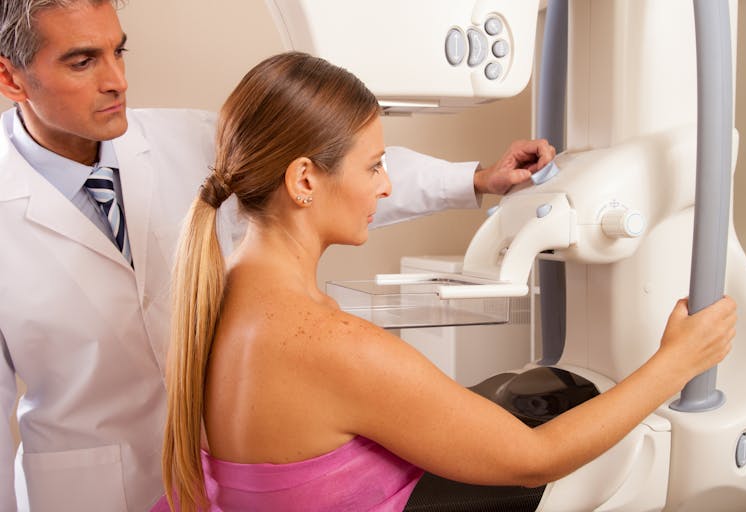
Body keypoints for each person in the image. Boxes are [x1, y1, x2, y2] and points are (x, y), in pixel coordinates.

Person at [0, 1, 555, 510]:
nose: (117, 79)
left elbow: (333, 167)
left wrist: (475, 179)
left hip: (208, 478)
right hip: (81, 491)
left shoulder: (183, 139)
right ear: (11, 77)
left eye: (118, 50)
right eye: (82, 62)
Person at [157, 52, 736, 512]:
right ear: (304, 179)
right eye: (374, 165)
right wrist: (675, 364)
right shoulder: (329, 343)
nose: (386, 186)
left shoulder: (217, 299)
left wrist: (481, 178)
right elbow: (535, 459)